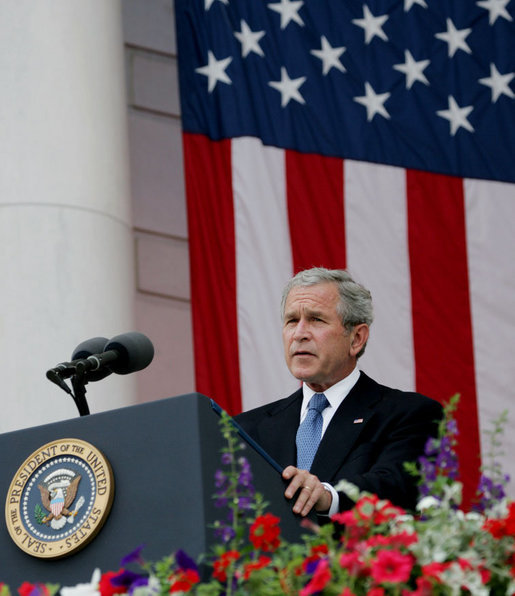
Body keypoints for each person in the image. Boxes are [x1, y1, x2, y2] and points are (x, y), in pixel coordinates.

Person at [235, 267, 443, 518]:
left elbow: (396, 485)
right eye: (292, 320)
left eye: (316, 319)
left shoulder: (410, 414)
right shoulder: (246, 429)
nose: (299, 334)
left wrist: (328, 497)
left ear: (356, 338)